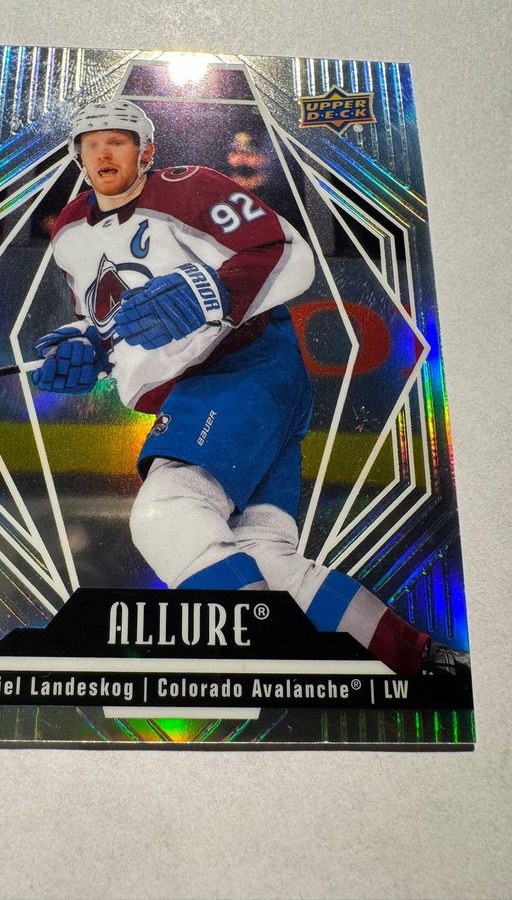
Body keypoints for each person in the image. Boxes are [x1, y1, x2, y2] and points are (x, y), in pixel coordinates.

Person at [33, 100, 463, 676]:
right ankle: (421, 661)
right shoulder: (68, 233)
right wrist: (89, 349)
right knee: (266, 556)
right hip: (241, 390)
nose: (103, 153)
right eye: (91, 143)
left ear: (147, 152)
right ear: (77, 156)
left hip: (242, 364)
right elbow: (109, 319)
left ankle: (258, 654)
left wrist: (210, 290)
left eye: (118, 141)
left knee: (169, 511)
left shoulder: (188, 188)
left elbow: (286, 252)